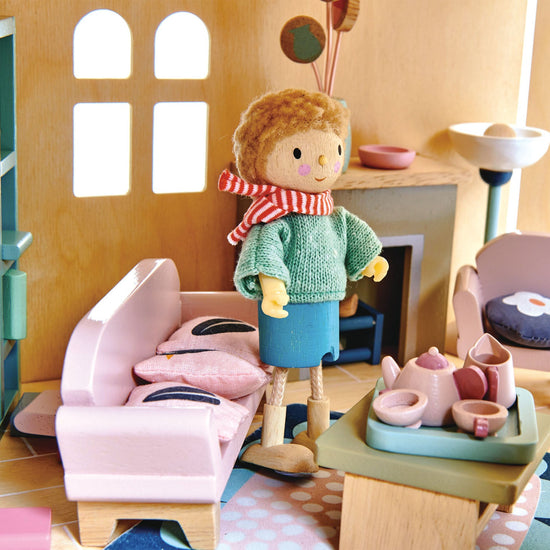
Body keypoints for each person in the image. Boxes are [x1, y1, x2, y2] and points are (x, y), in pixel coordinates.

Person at [219, 89, 388, 473]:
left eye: (334, 150)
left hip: (324, 306)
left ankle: (317, 432)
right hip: (288, 307)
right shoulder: (275, 220)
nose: (323, 162)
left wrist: (370, 259)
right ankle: (271, 441)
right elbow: (264, 251)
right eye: (299, 153)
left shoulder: (333, 216)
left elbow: (354, 236)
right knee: (281, 370)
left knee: (317, 369)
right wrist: (271, 284)